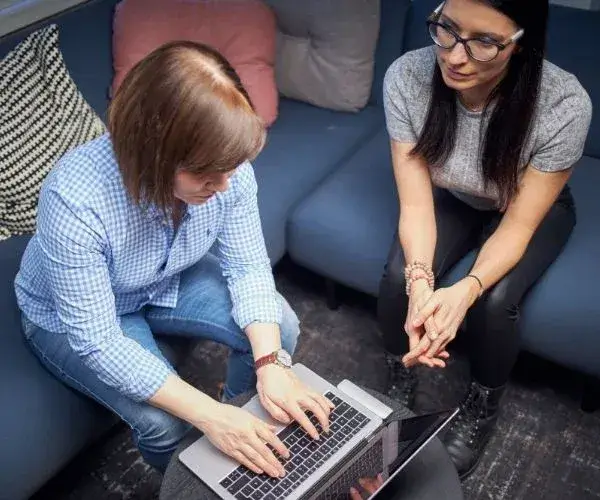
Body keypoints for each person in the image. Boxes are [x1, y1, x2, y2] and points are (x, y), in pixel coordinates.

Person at [14, 41, 333, 477]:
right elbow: (100, 340)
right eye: (206, 175)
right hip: (73, 318)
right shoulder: (74, 200)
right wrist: (208, 416)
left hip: (164, 281)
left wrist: (269, 365)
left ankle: (246, 445)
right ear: (152, 152)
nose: (224, 185)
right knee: (165, 422)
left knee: (281, 329)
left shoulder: (227, 171)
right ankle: (203, 476)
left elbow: (248, 267)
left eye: (229, 169)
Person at [377, 0, 592, 479]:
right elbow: (415, 204)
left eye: (485, 42)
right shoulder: (406, 78)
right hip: (455, 194)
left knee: (494, 301)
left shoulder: (563, 103)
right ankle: (399, 376)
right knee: (398, 276)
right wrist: (420, 283)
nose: (455, 56)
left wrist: (463, 292)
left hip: (526, 207)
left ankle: (481, 404)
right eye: (447, 30)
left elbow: (516, 226)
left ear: (520, 43)